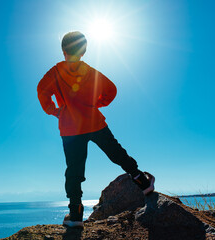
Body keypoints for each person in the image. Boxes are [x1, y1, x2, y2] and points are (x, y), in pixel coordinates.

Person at [37, 31, 154, 228]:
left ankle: (75, 215)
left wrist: (55, 111)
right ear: (83, 51)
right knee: (116, 153)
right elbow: (111, 89)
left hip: (70, 128)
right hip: (94, 122)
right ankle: (142, 182)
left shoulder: (55, 72)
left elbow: (42, 90)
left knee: (74, 171)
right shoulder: (89, 71)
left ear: (63, 50)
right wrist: (96, 104)